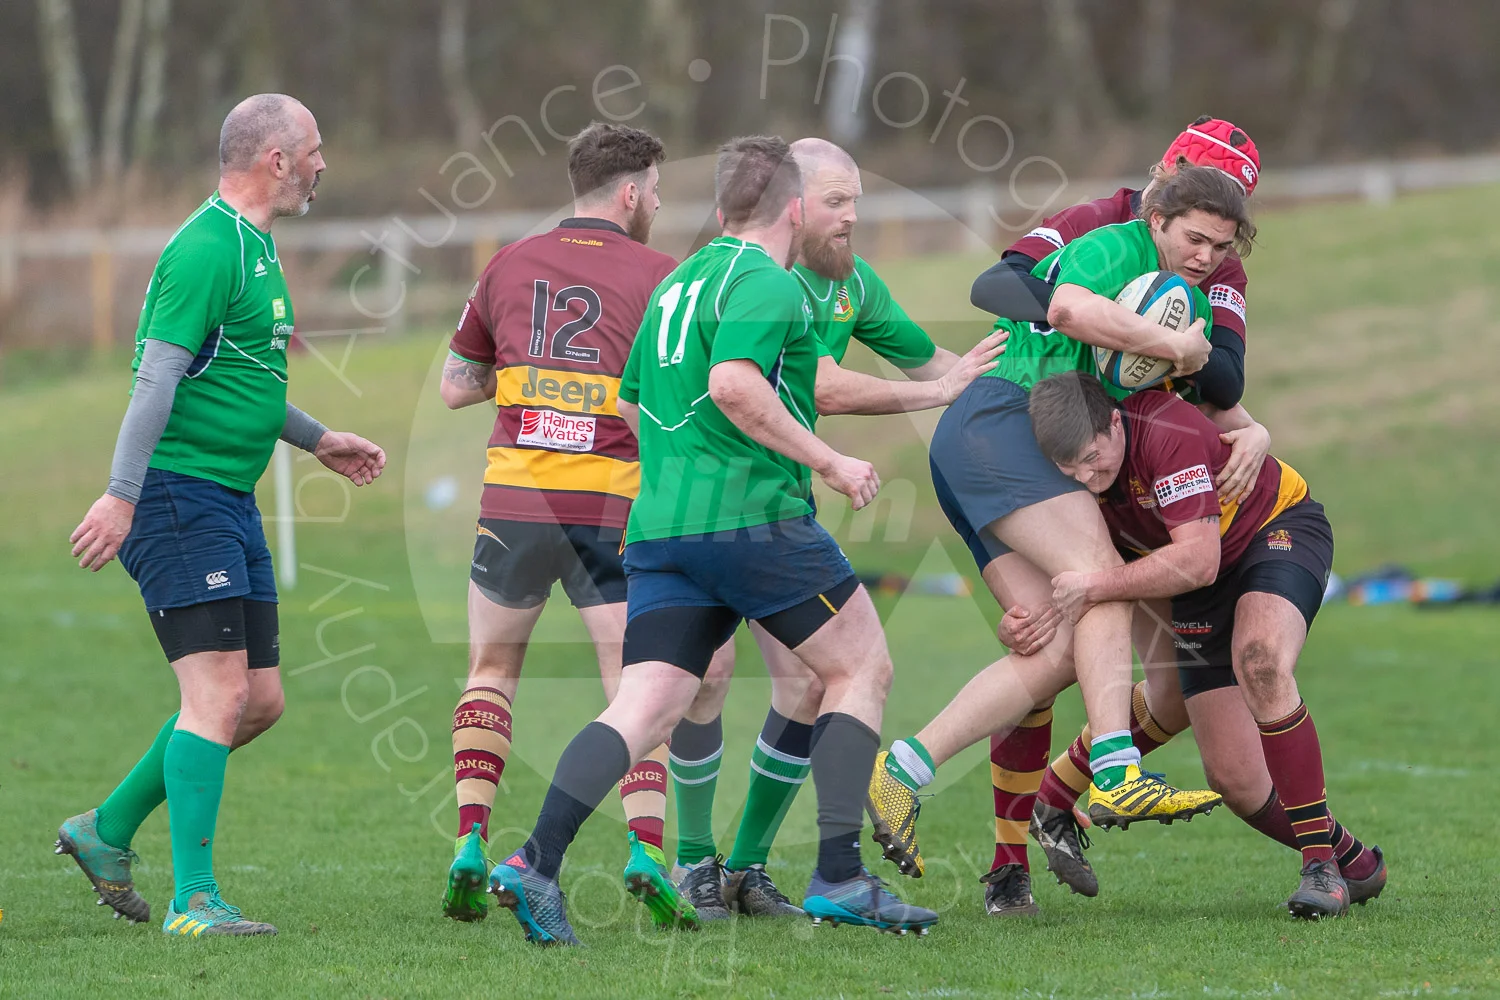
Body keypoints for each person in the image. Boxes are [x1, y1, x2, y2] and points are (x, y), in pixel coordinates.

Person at [488, 135, 938, 945]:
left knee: (646, 706)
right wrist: (827, 460)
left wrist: (686, 465)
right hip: (754, 519)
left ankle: (534, 862)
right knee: (860, 666)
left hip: (663, 529)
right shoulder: (767, 280)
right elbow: (733, 383)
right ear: (793, 207)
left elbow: (630, 402)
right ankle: (840, 876)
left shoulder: (678, 282)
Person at [865, 166, 1246, 911]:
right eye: (1194, 238)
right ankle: (1117, 772)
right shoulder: (1119, 246)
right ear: (1158, 219)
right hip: (1004, 420)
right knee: (1102, 577)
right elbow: (1067, 307)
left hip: (990, 442)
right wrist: (1177, 347)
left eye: (1221, 246)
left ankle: (903, 770)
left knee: (1056, 641)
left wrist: (1249, 427)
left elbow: (1184, 388)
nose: (1204, 256)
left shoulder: (1172, 286)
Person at [58, 94, 385, 938]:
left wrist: (317, 439)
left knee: (259, 700)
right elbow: (156, 379)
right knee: (218, 692)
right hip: (177, 495)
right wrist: (121, 494)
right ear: (276, 159)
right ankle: (194, 902)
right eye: (313, 149)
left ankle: (104, 830)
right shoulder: (208, 247)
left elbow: (239, 381)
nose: (322, 163)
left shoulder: (255, 245)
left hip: (227, 497)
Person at [661, 137, 1005, 921]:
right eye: (836, 201)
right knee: (706, 678)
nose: (853, 216)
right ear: (792, 205)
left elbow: (936, 363)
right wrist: (931, 397)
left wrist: (1033, 384)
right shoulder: (759, 276)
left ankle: (744, 869)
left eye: (857, 199)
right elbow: (817, 383)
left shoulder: (853, 285)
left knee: (812, 682)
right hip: (711, 507)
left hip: (779, 508)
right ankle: (693, 863)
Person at [967, 117, 1279, 913]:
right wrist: (1112, 322)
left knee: (1171, 689)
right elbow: (1000, 286)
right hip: (1059, 442)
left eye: (1228, 211)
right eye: (1194, 180)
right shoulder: (1102, 221)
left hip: (1143, 465)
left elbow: (1225, 377)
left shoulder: (1217, 259)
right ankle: (1007, 864)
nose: (1208, 246)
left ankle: (1060, 797)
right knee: (1045, 648)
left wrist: (1248, 424)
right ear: (1167, 171)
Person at [437, 121, 722, 929]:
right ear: (629, 193)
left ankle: (469, 841)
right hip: (614, 507)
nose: (657, 205)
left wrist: (533, 385)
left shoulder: (507, 262)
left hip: (516, 501)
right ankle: (645, 851)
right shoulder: (665, 278)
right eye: (655, 191)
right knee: (638, 689)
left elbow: (456, 385)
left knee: (491, 670)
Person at [1027, 370, 1385, 918]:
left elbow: (1197, 560)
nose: (1084, 476)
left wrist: (1094, 585)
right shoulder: (1069, 474)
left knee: (1261, 660)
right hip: (1191, 575)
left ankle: (1320, 870)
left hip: (1270, 529)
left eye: (1092, 458)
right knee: (1235, 779)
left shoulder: (1163, 431)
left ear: (1116, 423)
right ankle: (1353, 862)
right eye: (1069, 467)